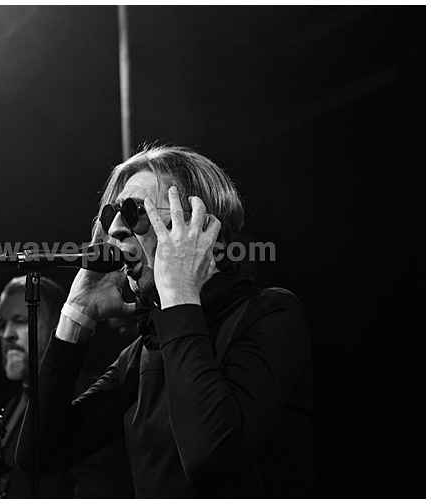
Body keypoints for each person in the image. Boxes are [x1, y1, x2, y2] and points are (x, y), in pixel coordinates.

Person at [16, 144, 318, 498]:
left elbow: (210, 458)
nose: (115, 229)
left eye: (133, 212)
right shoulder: (143, 353)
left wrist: (178, 291)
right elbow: (38, 453)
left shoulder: (270, 314)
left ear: (195, 224)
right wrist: (76, 315)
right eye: (112, 214)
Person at [0, 275, 134, 498]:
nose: (7, 334)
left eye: (20, 321)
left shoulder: (86, 396)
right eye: (2, 325)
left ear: (57, 323)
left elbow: (100, 491)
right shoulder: (14, 406)